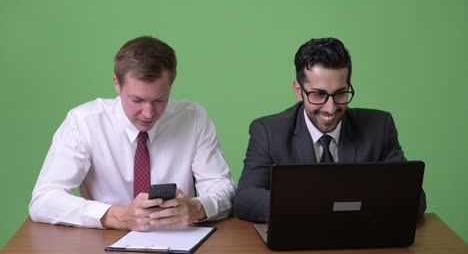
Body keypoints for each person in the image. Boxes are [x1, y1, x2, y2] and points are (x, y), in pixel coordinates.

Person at [29, 36, 235, 231]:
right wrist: (115, 215)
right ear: (116, 84)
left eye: (159, 100)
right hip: (103, 243)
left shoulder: (193, 118)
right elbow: (44, 200)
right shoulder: (83, 122)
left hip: (178, 243)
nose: (148, 113)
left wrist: (196, 208)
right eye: (137, 100)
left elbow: (223, 189)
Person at [234, 37, 426, 223]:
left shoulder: (379, 127)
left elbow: (414, 197)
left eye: (340, 93)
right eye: (319, 94)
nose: (330, 108)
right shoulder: (268, 131)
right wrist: (312, 209)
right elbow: (245, 198)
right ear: (299, 91)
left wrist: (354, 211)